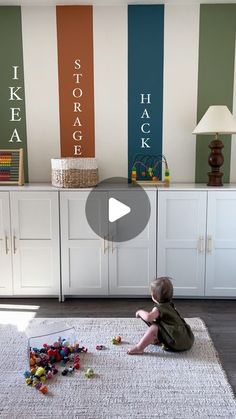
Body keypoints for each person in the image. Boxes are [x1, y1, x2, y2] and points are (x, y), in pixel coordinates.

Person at [127, 277, 194, 355]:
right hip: (187, 339)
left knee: (154, 328)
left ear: (154, 297)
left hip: (176, 343)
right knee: (158, 325)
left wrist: (140, 311)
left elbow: (148, 317)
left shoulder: (158, 309)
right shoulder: (170, 305)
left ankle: (139, 348)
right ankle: (158, 338)